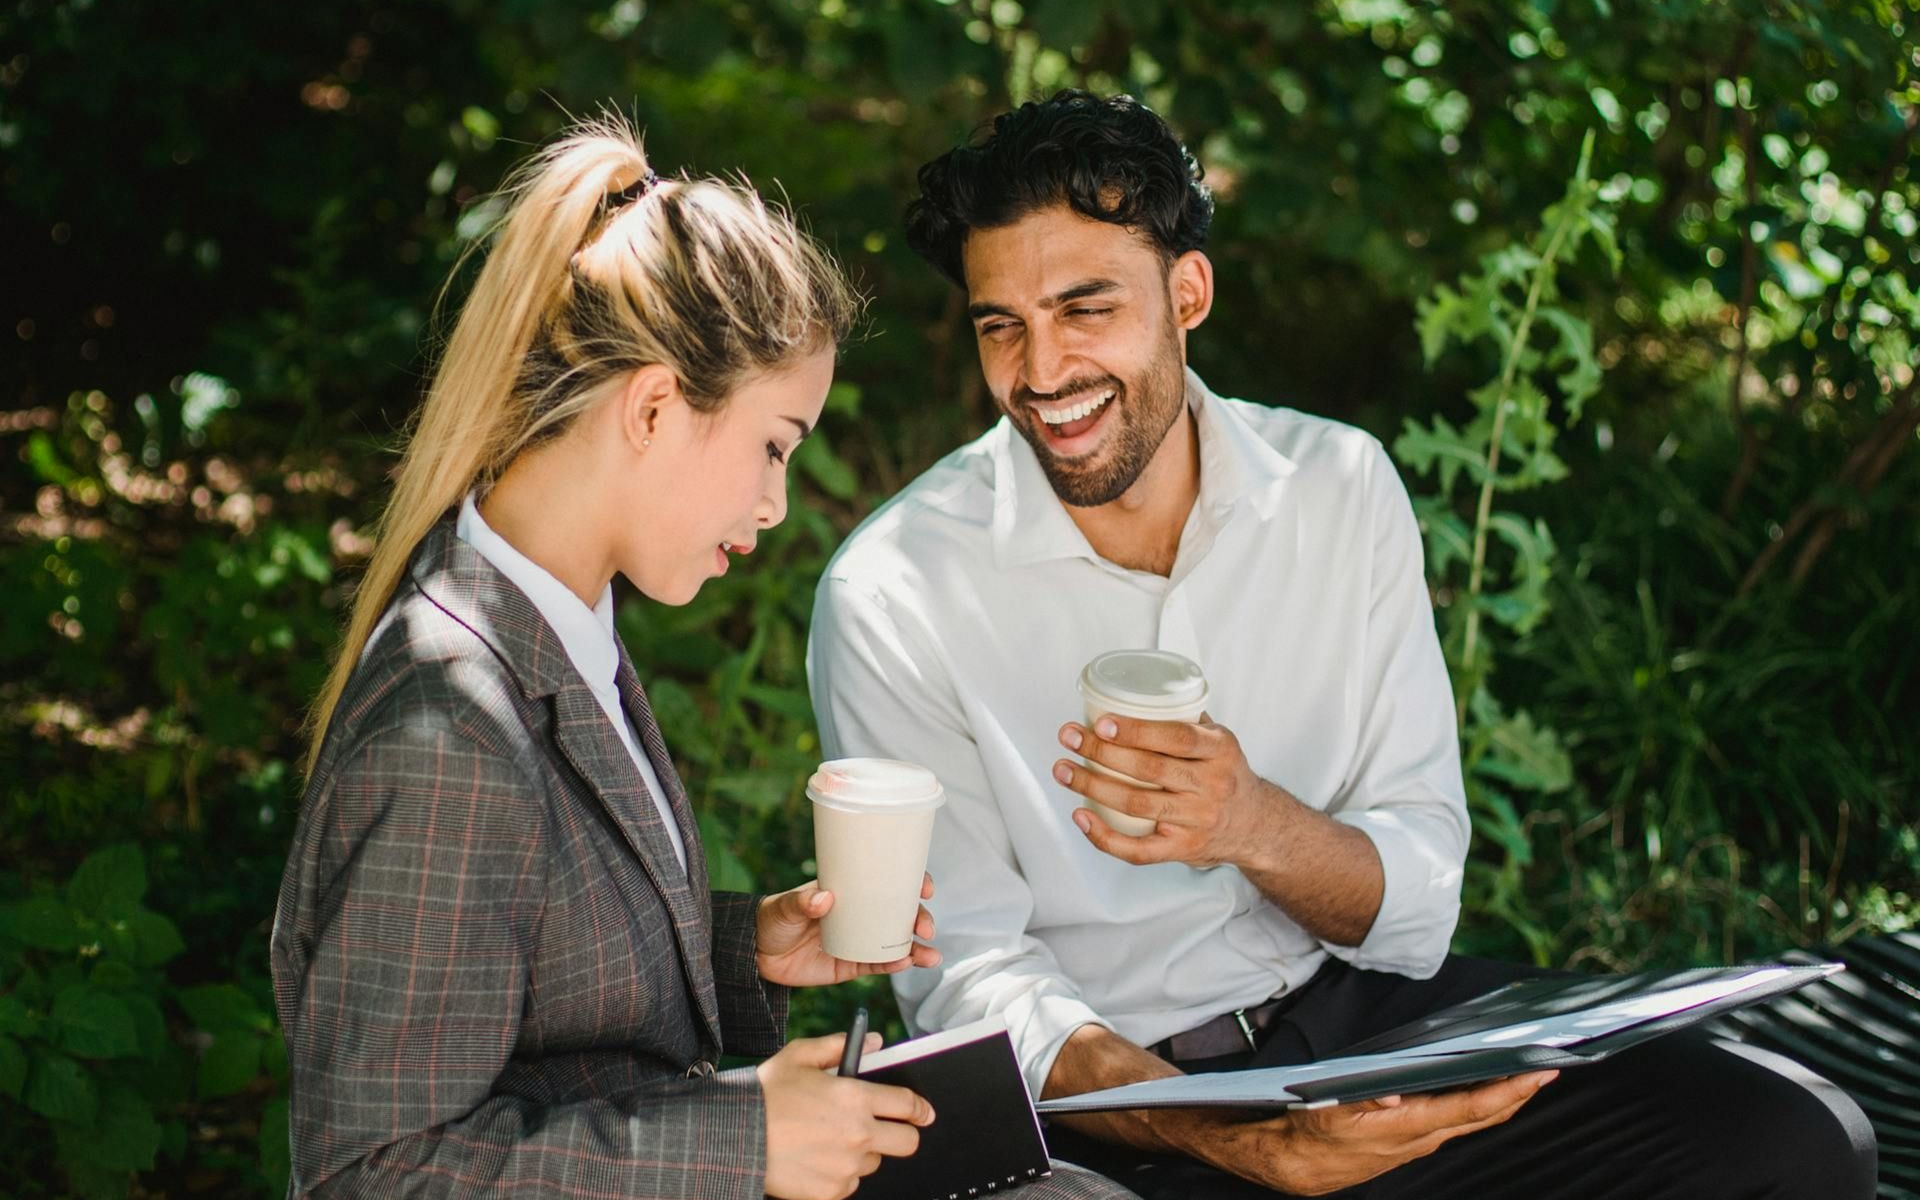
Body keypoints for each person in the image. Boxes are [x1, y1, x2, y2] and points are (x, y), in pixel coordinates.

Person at [806, 91, 1877, 1199]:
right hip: (1113, 1109)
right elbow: (972, 986)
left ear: (1188, 293)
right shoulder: (895, 591)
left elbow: (1416, 897)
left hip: (1359, 1032)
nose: (1041, 371)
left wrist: (1251, 823)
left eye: (1086, 308)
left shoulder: (1338, 489)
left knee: (1793, 1138)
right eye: (1002, 325)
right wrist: (1240, 1142)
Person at [272, 116, 1137, 1200]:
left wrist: (748, 949)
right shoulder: (447, 731)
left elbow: (544, 992)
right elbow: (374, 1172)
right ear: (651, 407)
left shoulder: (559, 632)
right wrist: (750, 1141)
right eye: (773, 445)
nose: (777, 504)